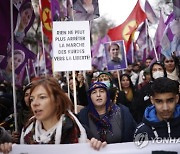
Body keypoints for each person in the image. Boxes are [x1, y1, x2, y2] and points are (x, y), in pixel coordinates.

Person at [0, 77, 106, 153]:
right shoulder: (26, 133)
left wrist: (97, 148)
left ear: (57, 101)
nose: (35, 103)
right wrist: (8, 150)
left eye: (42, 97)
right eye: (32, 99)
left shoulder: (76, 132)